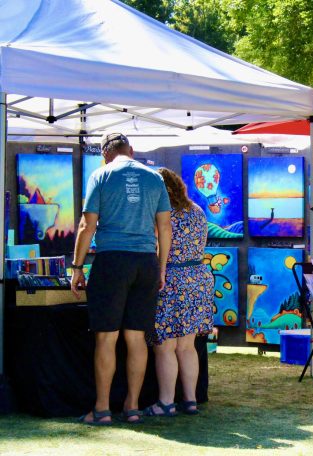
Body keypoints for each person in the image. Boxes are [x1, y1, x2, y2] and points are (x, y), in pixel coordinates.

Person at [71, 133, 172, 425]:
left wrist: (77, 267)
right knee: (136, 337)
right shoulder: (155, 178)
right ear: (132, 150)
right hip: (145, 263)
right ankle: (132, 407)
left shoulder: (100, 175)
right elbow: (164, 228)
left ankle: (102, 409)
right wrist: (161, 268)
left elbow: (86, 225)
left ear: (105, 154)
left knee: (106, 337)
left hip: (112, 260)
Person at [144, 168, 214, 417]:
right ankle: (191, 400)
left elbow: (154, 247)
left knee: (164, 345)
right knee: (187, 346)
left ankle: (165, 402)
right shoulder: (197, 210)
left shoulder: (161, 214)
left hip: (170, 279)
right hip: (198, 278)